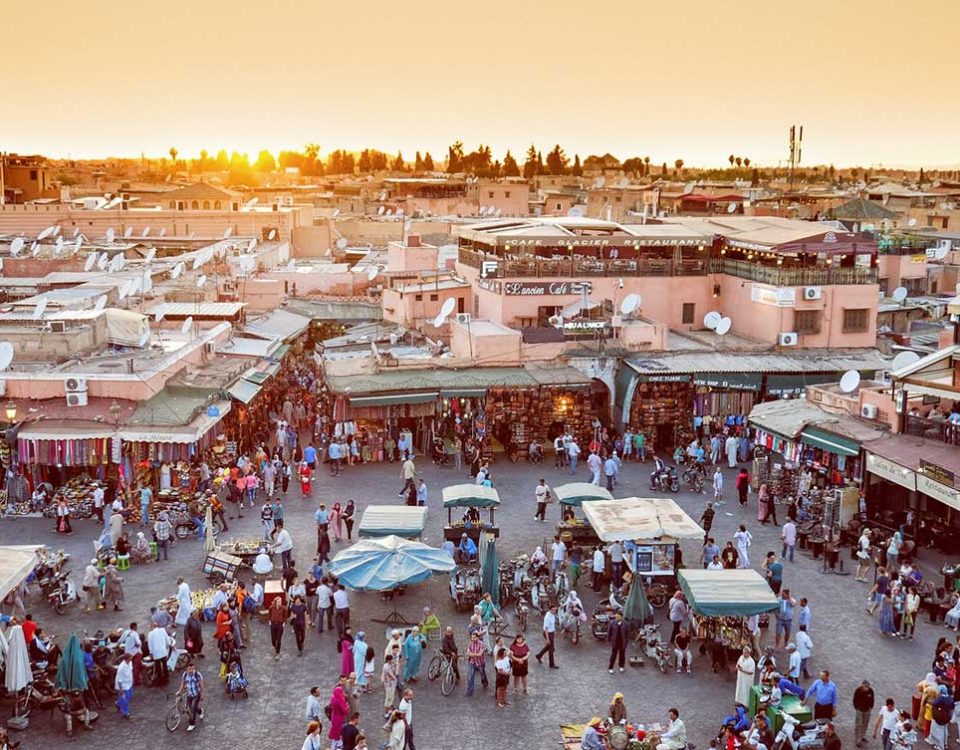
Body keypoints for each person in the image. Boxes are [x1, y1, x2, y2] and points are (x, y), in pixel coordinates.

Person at [146, 622, 172, 687]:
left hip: (156, 653)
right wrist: (167, 645)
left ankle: (160, 681)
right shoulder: (162, 630)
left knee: (158, 667)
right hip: (163, 651)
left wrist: (151, 652)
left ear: (152, 626)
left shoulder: (150, 634)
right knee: (164, 665)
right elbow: (167, 640)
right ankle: (166, 679)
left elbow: (150, 645)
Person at [930, 686, 954, 750]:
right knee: (945, 730)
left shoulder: (940, 698)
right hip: (948, 716)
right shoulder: (950, 698)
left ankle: (940, 746)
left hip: (940, 717)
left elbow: (934, 705)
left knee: (939, 732)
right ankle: (945, 744)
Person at [853, 680, 876, 747]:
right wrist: (856, 708)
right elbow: (854, 700)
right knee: (858, 724)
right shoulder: (858, 691)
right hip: (859, 710)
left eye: (868, 687)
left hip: (867, 710)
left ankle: (863, 735)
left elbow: (872, 699)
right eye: (865, 686)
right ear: (862, 685)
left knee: (865, 723)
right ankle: (857, 739)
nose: (867, 688)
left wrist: (871, 707)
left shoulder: (870, 691)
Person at [329, 677, 349, 750]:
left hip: (334, 717)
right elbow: (345, 711)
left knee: (334, 736)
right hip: (339, 718)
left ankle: (333, 747)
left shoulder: (333, 698)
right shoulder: (339, 700)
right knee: (338, 735)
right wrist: (347, 706)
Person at [466, 630, 488, 696]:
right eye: (472, 638)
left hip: (480, 663)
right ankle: (470, 691)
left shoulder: (481, 644)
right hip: (472, 662)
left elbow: (480, 654)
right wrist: (475, 654)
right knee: (470, 676)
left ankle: (485, 682)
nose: (473, 639)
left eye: (474, 637)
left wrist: (472, 654)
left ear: (477, 637)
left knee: (482, 675)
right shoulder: (470, 644)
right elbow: (467, 653)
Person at [536, 604, 558, 668]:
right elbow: (546, 629)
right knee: (551, 649)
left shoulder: (552, 615)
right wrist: (548, 639)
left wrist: (554, 631)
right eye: (553, 610)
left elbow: (553, 624)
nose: (554, 611)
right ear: (550, 610)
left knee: (549, 647)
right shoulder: (547, 617)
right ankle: (551, 664)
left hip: (552, 632)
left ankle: (539, 655)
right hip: (548, 633)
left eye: (555, 610)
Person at [608, 609, 629, 673]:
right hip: (615, 642)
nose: (616, 617)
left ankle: (621, 666)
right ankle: (610, 667)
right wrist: (609, 640)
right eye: (616, 616)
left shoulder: (625, 624)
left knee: (622, 655)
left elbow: (628, 634)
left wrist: (626, 641)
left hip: (622, 642)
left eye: (618, 616)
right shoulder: (612, 623)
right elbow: (609, 632)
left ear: (621, 617)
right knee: (613, 655)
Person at [114, 652, 134, 719]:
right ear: (127, 658)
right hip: (123, 685)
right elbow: (119, 679)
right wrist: (121, 689)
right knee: (125, 700)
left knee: (129, 696)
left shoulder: (130, 663)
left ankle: (118, 703)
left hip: (129, 684)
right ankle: (125, 713)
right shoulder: (121, 667)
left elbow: (130, 671)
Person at [268, 595, 287, 660]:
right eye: (278, 601)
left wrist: (284, 622)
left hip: (280, 624)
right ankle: (275, 645)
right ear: (275, 602)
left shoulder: (284, 608)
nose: (280, 603)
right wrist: (270, 620)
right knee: (273, 639)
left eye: (280, 601)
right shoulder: (271, 607)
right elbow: (269, 614)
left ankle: (277, 653)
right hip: (273, 624)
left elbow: (285, 616)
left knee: (279, 639)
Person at [382, 653, 399, 717]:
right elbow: (392, 676)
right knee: (388, 699)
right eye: (392, 660)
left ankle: (389, 710)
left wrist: (395, 666)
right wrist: (396, 679)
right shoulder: (386, 667)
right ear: (388, 660)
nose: (393, 660)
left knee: (391, 698)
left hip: (391, 684)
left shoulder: (390, 665)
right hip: (389, 685)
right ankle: (386, 712)